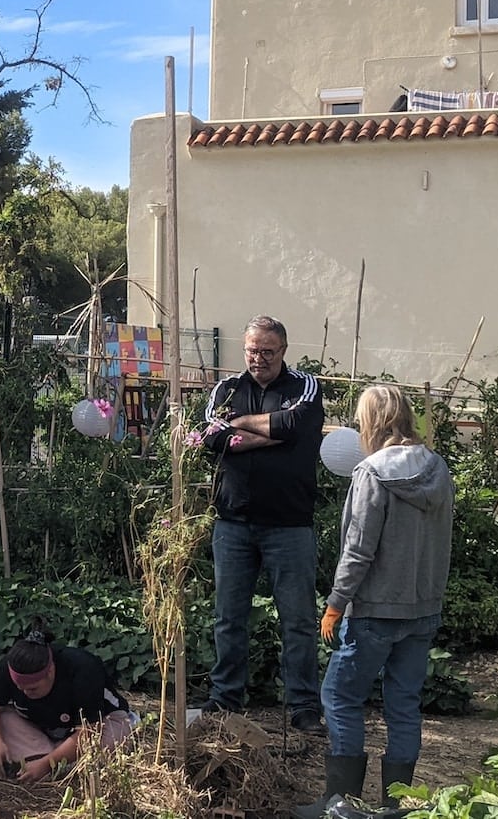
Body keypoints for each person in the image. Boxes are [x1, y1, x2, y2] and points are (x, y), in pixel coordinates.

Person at [301, 385, 454, 817]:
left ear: (372, 421)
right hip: (422, 609)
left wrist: (335, 603)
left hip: (374, 610)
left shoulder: (371, 473)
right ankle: (398, 807)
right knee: (403, 704)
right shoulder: (437, 468)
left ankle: (340, 803)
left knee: (340, 697)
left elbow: (358, 549)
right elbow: (443, 542)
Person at [197, 315, 326, 732]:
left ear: (283, 351)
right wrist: (271, 434)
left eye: (268, 352)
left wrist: (239, 426)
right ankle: (226, 699)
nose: (259, 359)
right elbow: (209, 438)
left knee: (299, 620)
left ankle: (303, 706)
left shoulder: (305, 386)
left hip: (290, 525)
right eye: (252, 350)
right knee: (228, 617)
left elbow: (296, 424)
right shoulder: (226, 389)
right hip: (232, 523)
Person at [0, 619, 134, 783]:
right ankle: (57, 760)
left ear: (50, 671)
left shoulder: (83, 669)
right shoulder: (7, 666)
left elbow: (89, 731)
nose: (24, 693)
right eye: (19, 687)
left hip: (101, 725)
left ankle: (52, 762)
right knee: (3, 721)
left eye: (32, 688)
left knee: (110, 744)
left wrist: (47, 764)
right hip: (43, 729)